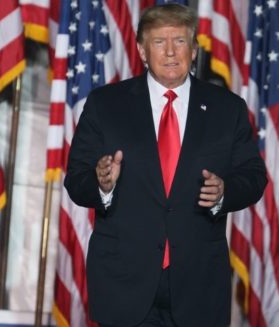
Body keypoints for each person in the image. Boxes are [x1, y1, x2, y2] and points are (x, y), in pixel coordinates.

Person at [64, 3, 267, 327]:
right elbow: (76, 179)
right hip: (123, 284)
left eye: (180, 41)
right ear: (143, 51)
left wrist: (225, 192)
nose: (171, 52)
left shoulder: (227, 108)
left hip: (198, 286)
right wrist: (102, 183)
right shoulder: (106, 105)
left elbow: (255, 177)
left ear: (195, 48)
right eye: (160, 42)